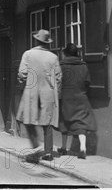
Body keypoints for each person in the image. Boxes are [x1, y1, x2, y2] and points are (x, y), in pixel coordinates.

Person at [17, 29, 62, 163]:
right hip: (48, 92)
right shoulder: (53, 57)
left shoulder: (28, 54)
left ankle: (34, 140)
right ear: (47, 42)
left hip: (31, 91)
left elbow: (22, 73)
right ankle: (48, 152)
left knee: (26, 117)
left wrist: (22, 83)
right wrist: (57, 93)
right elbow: (58, 77)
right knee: (47, 123)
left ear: (36, 40)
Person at [57, 43, 97, 159]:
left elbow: (58, 82)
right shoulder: (83, 65)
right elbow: (87, 82)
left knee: (64, 122)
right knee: (80, 122)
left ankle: (64, 147)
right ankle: (83, 148)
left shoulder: (61, 66)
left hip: (66, 98)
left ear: (66, 54)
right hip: (81, 97)